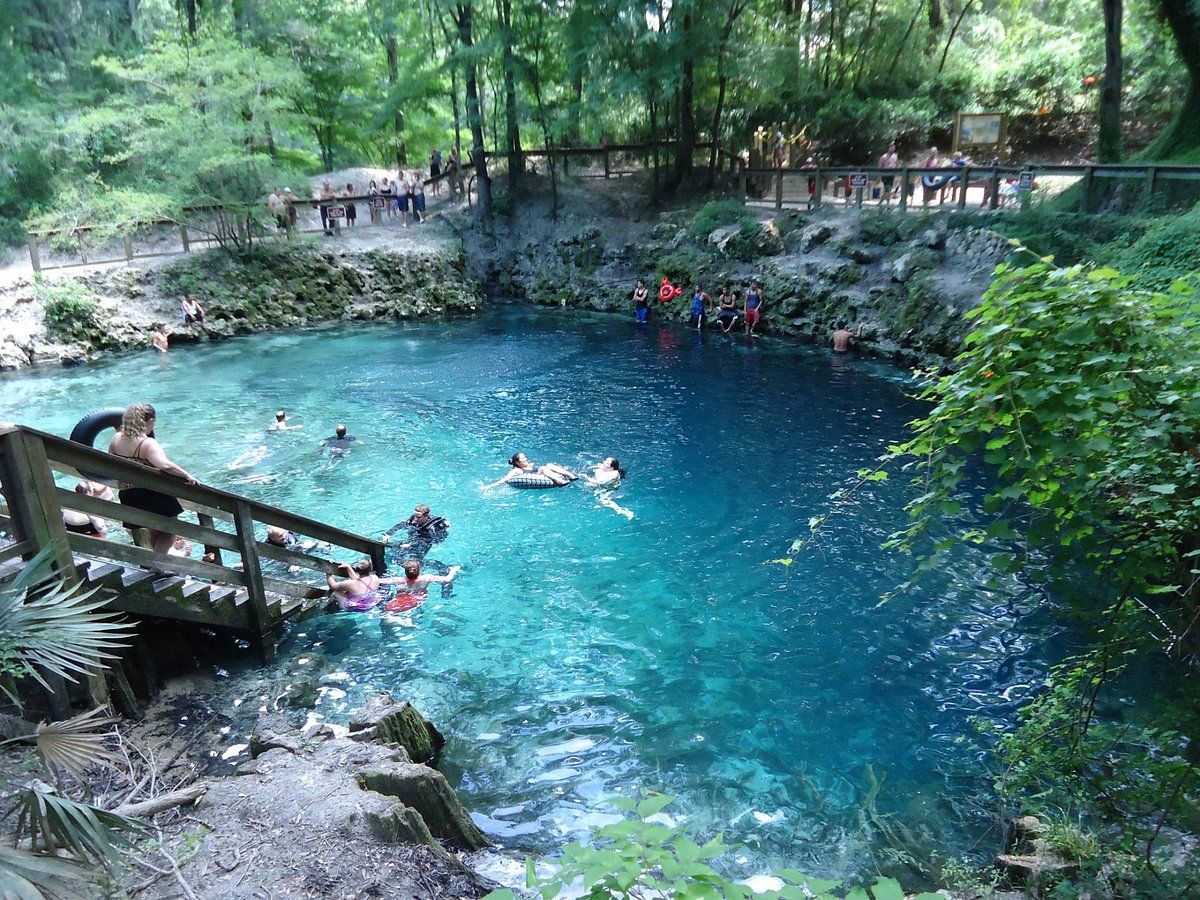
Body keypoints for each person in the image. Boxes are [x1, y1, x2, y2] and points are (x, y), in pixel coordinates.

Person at [108, 403, 196, 557]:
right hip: (151, 493)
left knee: (154, 532)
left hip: (128, 494)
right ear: (148, 421)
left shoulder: (116, 439)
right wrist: (186, 475)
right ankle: (157, 564)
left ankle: (160, 566)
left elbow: (111, 461)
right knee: (171, 529)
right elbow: (165, 465)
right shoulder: (147, 443)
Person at [380, 557, 461, 613]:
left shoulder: (398, 580)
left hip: (399, 606)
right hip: (418, 602)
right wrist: (453, 570)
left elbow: (379, 581)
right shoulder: (427, 578)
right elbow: (447, 579)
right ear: (419, 570)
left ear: (405, 572)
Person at [383, 504, 449, 558]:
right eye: (415, 516)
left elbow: (431, 541)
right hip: (416, 537)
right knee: (396, 555)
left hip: (425, 541)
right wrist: (388, 534)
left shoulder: (433, 528)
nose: (415, 519)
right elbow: (401, 525)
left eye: (419, 517)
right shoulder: (414, 520)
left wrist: (412, 545)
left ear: (426, 516)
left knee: (415, 559)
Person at [484, 452, 577, 489]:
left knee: (549, 465)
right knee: (543, 468)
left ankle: (570, 476)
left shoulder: (529, 465)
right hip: (539, 476)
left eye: (525, 457)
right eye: (523, 459)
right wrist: (490, 486)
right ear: (518, 463)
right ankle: (559, 482)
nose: (525, 459)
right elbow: (505, 479)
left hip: (543, 474)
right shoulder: (517, 471)